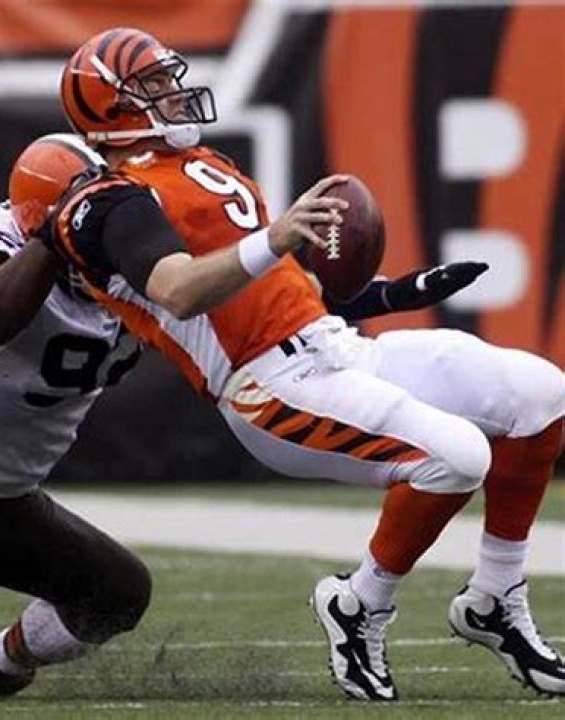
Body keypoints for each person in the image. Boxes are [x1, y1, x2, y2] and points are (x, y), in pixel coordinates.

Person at [53, 27, 565, 701]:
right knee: (458, 457)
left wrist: (392, 294)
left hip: (335, 349)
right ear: (110, 107)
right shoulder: (113, 202)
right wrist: (274, 238)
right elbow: (178, 290)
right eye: (152, 85)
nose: (174, 92)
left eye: (168, 78)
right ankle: (360, 604)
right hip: (268, 387)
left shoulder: (199, 163)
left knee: (539, 394)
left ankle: (495, 596)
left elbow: (284, 289)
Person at [0, 133, 344, 698]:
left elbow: (216, 296)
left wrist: (361, 294)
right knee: (116, 593)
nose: (120, 229)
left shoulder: (144, 269)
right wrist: (55, 240)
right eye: (99, 214)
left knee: (119, 595)